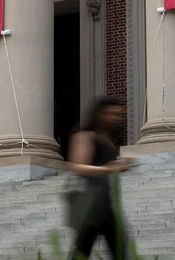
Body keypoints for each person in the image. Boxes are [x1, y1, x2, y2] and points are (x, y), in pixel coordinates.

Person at [67, 96, 134, 260]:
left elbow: (104, 165)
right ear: (100, 113)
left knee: (119, 251)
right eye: (112, 113)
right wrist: (110, 168)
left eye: (118, 114)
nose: (115, 118)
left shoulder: (107, 140)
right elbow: (79, 167)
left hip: (105, 204)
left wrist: (121, 164)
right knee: (81, 253)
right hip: (90, 205)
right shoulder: (85, 136)